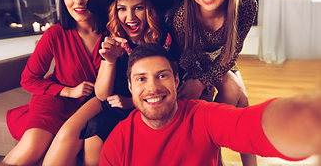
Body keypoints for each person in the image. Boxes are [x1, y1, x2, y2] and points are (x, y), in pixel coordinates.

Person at [42, 0, 175, 166]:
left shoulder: (165, 39)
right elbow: (102, 94)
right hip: (111, 103)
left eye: (138, 8)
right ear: (115, 12)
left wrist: (131, 102)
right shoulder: (113, 40)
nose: (130, 17)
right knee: (91, 130)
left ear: (149, 10)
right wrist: (110, 62)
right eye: (122, 9)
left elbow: (172, 86)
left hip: (143, 102)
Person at [99, 43, 321, 166]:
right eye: (141, 78)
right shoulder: (117, 144)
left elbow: (253, 127)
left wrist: (309, 117)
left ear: (177, 81)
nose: (153, 87)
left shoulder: (202, 117)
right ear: (129, 87)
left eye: (162, 76)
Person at [1, 0, 107, 166]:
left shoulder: (112, 32)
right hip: (56, 100)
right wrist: (68, 91)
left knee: (68, 147)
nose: (79, 1)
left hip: (94, 105)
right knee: (32, 146)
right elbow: (29, 79)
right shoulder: (55, 34)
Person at [171, 0, 258, 166]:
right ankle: (211, 145)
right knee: (236, 95)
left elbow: (231, 52)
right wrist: (201, 82)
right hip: (194, 63)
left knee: (239, 98)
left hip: (225, 58)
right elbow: (186, 57)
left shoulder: (246, 5)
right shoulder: (183, 16)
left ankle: (212, 137)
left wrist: (204, 82)